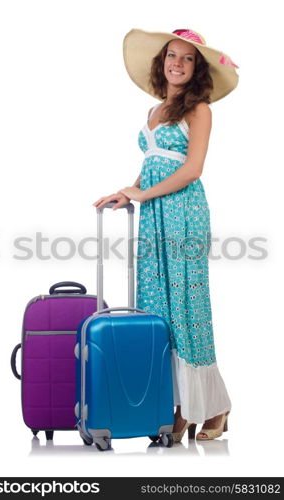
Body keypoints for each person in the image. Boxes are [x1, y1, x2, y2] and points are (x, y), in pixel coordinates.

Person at [93, 28, 239, 442]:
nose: (177, 63)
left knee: (186, 305)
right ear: (162, 62)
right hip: (153, 213)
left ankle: (208, 406)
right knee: (158, 306)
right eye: (171, 55)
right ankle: (172, 403)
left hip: (183, 213)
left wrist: (143, 193)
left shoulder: (201, 109)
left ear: (197, 68)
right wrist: (127, 192)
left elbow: (192, 169)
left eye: (187, 58)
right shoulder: (156, 111)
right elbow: (154, 163)